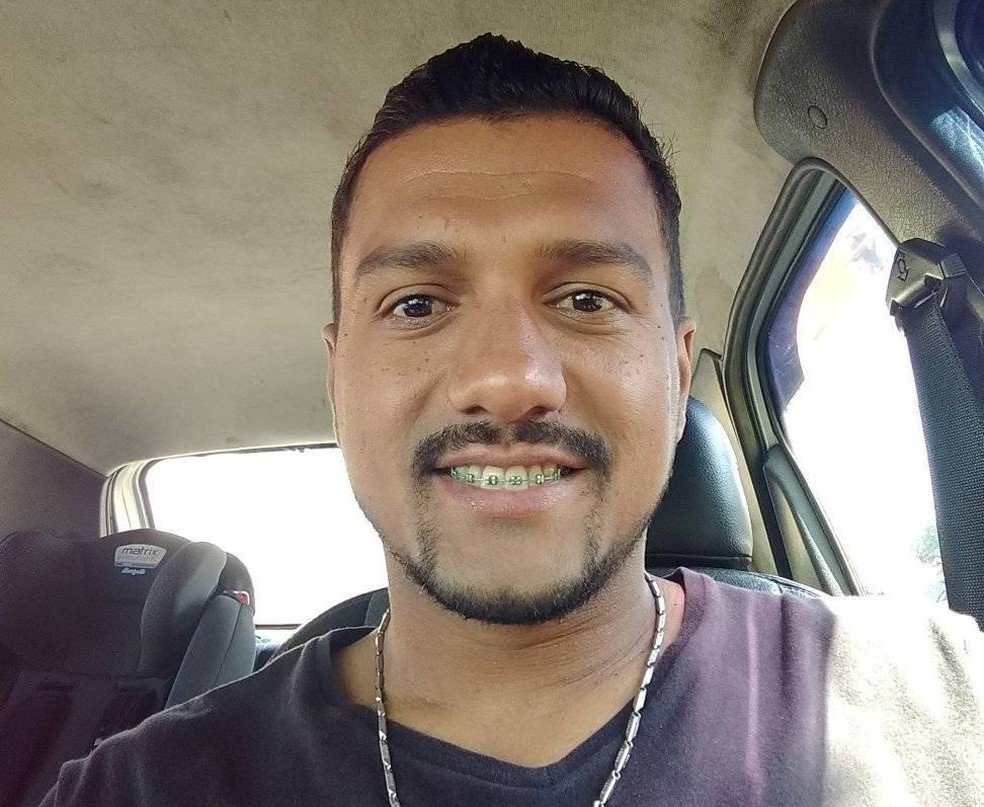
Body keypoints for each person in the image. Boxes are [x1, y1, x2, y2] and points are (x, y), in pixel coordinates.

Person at [43, 33, 983, 807]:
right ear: (337, 379)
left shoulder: (936, 704)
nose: (506, 379)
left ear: (673, 367)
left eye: (586, 299)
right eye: (416, 304)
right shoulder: (140, 787)